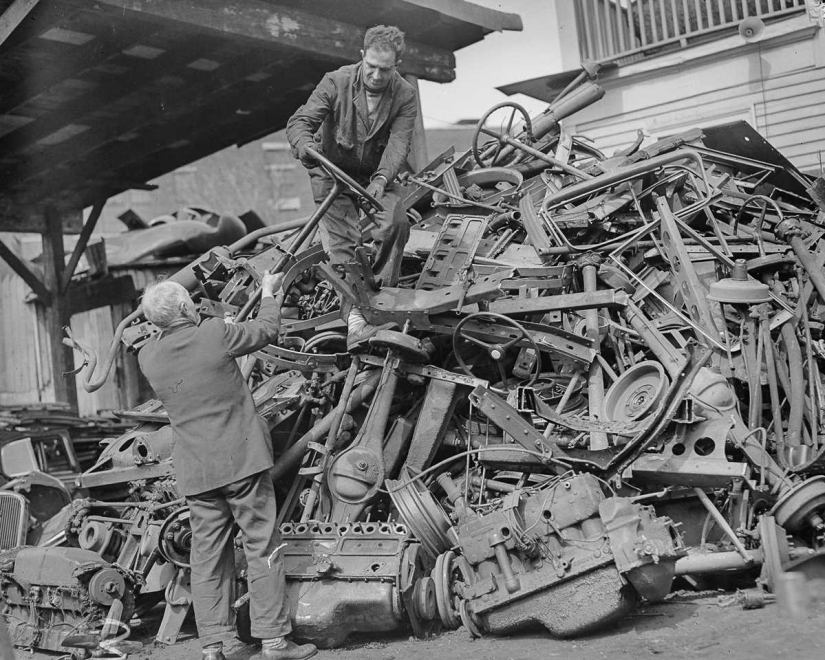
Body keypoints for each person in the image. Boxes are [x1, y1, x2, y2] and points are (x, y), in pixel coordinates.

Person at [138, 273, 316, 660]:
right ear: (187, 307)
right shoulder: (215, 332)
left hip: (197, 471)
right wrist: (269, 292)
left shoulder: (147, 357)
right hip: (241, 461)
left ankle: (214, 646)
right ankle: (273, 641)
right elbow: (268, 328)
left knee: (207, 556)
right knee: (261, 545)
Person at [286, 24, 417, 350]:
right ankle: (357, 320)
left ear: (396, 66)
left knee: (395, 223)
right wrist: (304, 145)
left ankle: (382, 299)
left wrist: (382, 179)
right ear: (362, 56)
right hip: (330, 173)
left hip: (374, 177)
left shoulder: (404, 95)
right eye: (370, 66)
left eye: (384, 70)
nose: (375, 75)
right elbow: (300, 122)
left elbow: (399, 145)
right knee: (346, 244)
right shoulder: (336, 81)